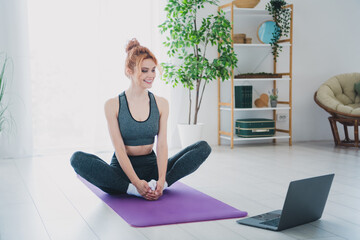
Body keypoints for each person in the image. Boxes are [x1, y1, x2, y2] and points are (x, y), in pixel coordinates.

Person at [70, 38, 211, 201]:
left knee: (203, 148)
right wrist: (136, 184)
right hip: (122, 174)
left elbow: (163, 145)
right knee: (77, 159)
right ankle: (131, 190)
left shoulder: (161, 104)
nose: (151, 75)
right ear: (129, 71)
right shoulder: (112, 105)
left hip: (152, 168)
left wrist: (161, 180)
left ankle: (160, 186)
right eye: (144, 70)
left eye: (153, 70)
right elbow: (120, 150)